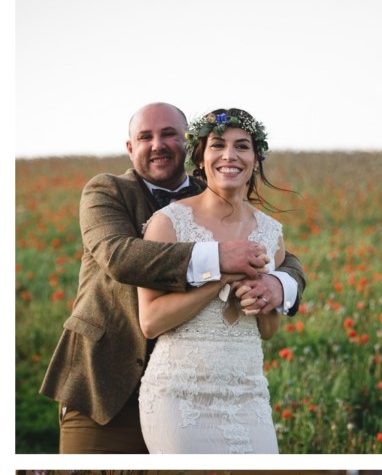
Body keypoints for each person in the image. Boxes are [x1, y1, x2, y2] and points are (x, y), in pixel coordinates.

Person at [39, 102, 305, 453]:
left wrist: (278, 283)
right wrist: (220, 260)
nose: (157, 145)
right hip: (105, 382)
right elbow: (119, 256)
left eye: (168, 135)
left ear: (188, 144)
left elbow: (286, 259)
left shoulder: (217, 187)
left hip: (217, 385)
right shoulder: (107, 191)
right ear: (130, 147)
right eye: (145, 137)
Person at [136, 108, 288, 453]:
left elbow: (267, 330)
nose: (229, 156)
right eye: (217, 145)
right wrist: (220, 274)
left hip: (249, 393)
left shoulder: (272, 233)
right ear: (201, 159)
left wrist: (264, 299)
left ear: (255, 158)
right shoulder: (168, 223)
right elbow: (150, 322)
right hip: (180, 397)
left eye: (242, 146)